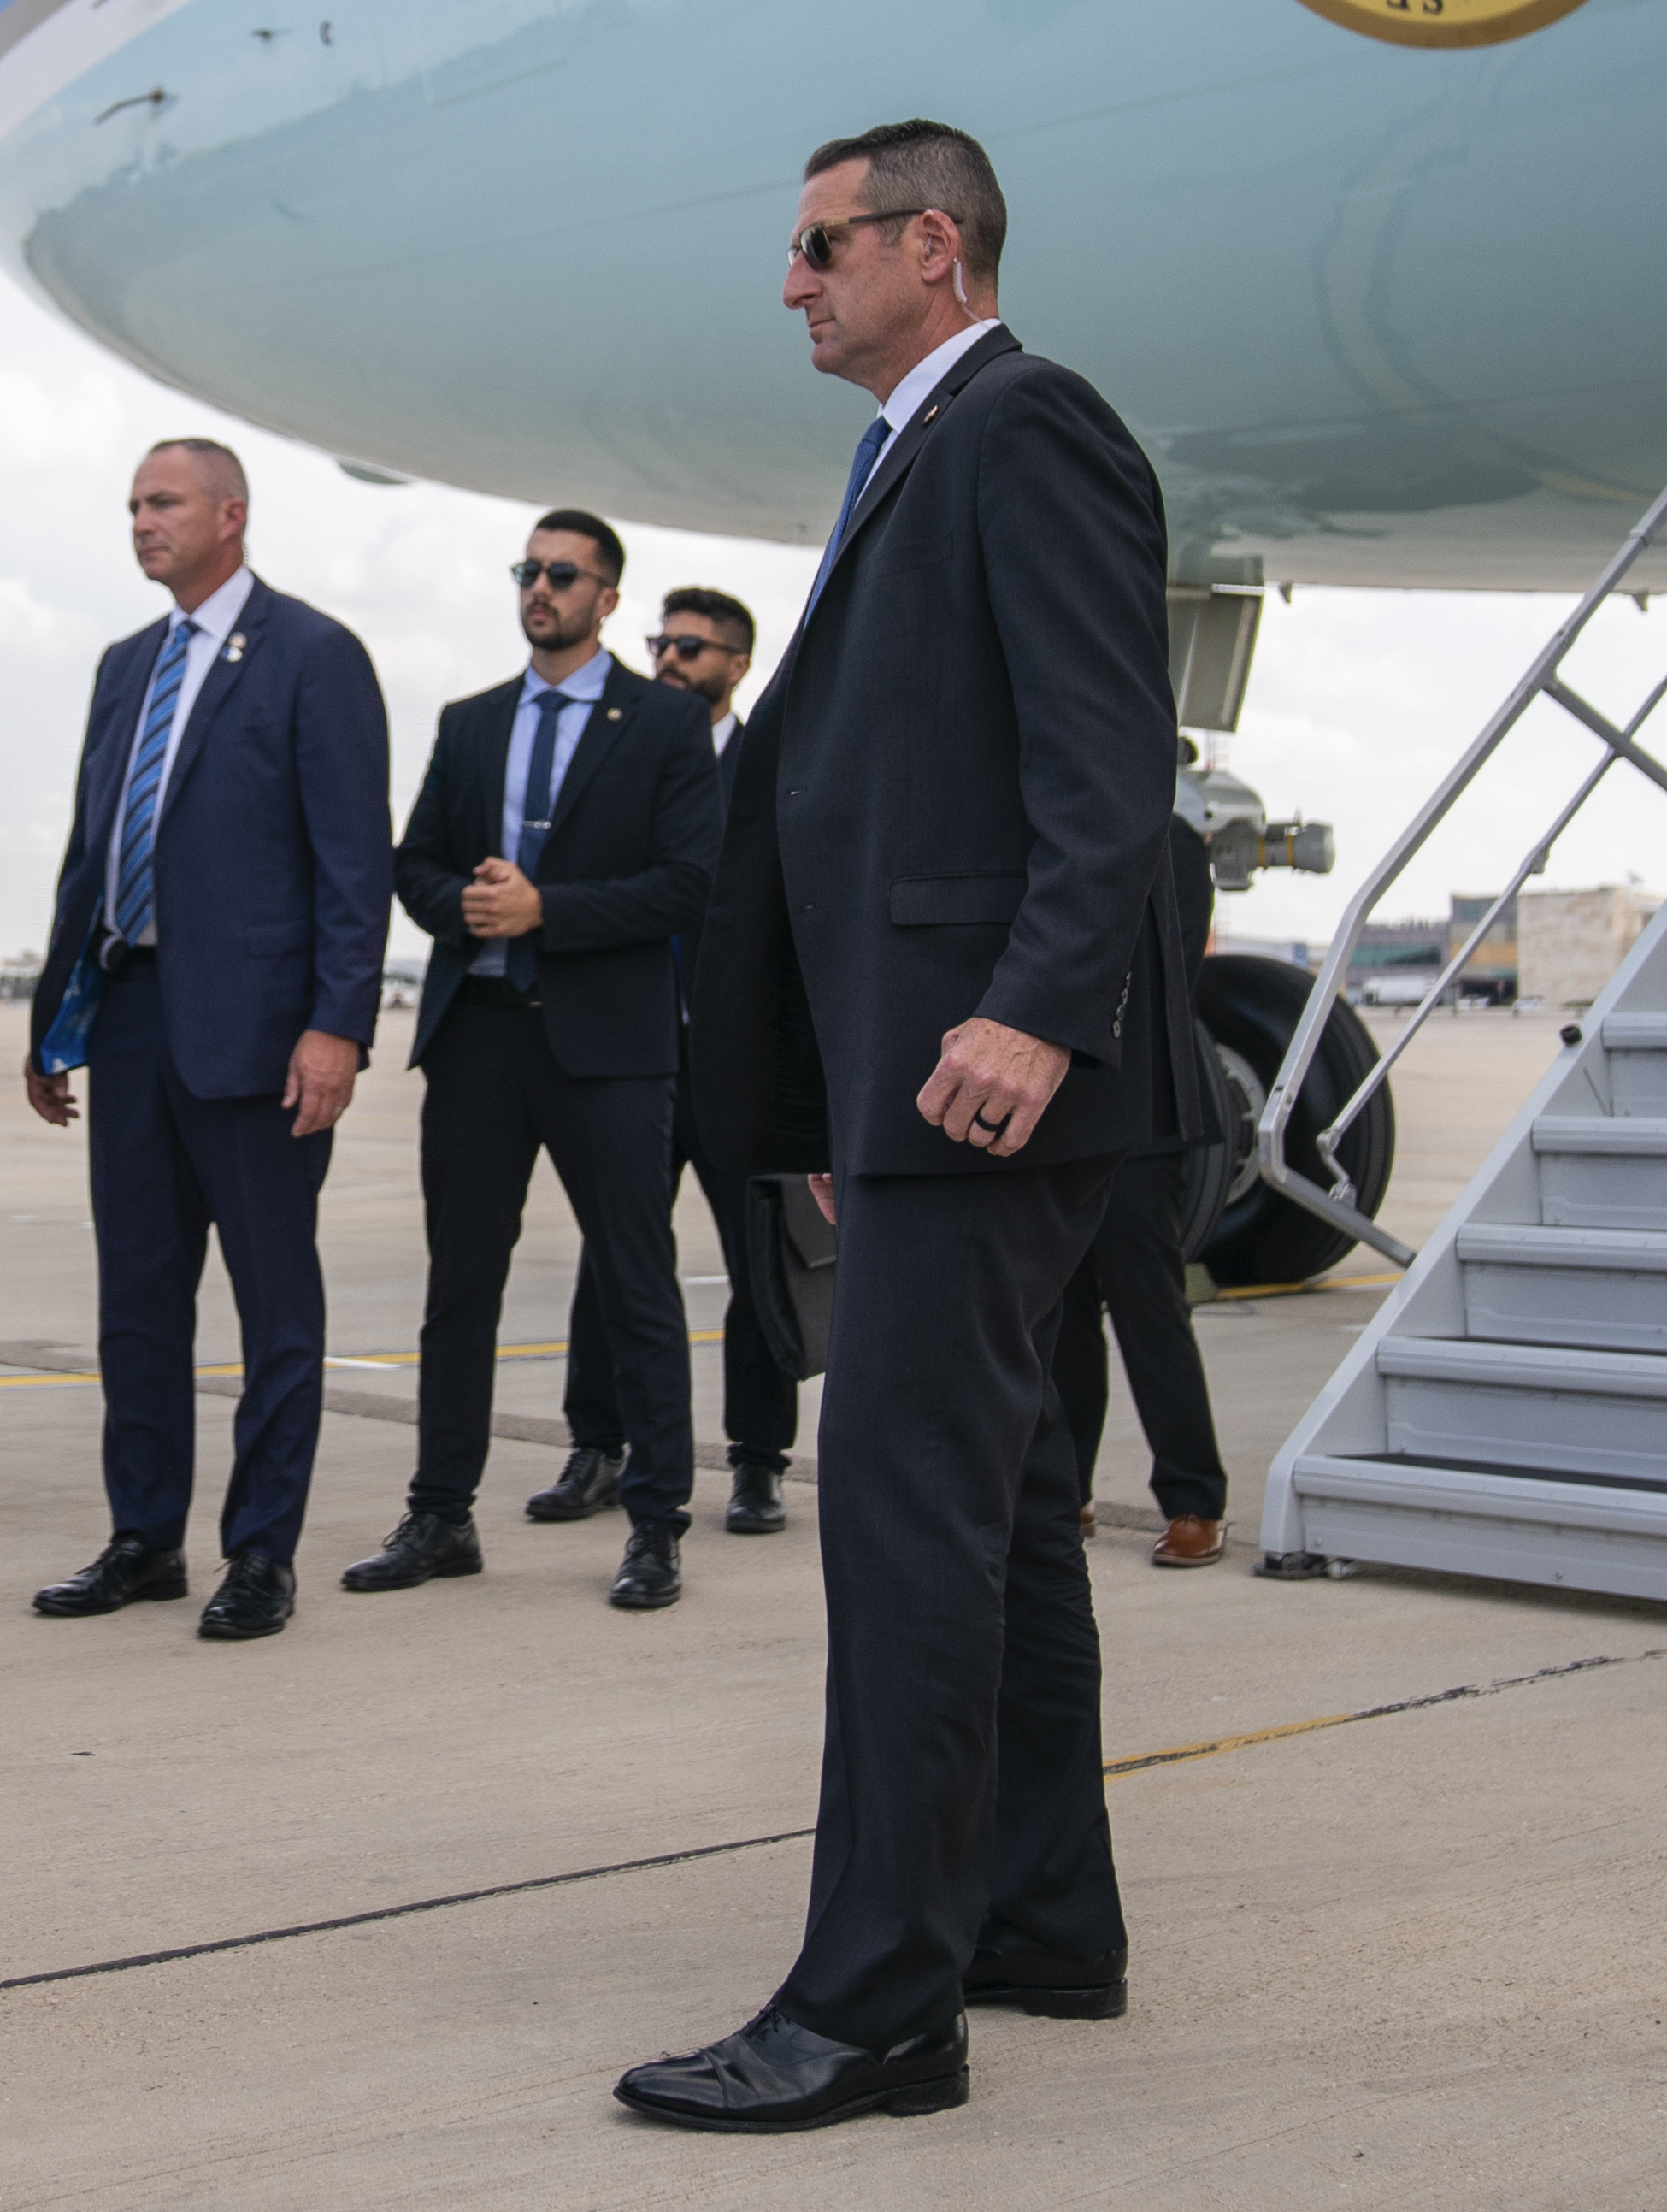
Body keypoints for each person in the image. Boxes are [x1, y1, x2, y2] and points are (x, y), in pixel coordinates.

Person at [622, 119, 1192, 2134]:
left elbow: (1108, 749)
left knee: (902, 1517)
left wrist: (1030, 1009)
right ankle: (1037, 1914)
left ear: (925, 245)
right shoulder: (909, 452)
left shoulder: (1019, 426)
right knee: (1004, 1511)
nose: (789, 282)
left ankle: (872, 2007)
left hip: (986, 1080)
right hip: (918, 1080)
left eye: (813, 246)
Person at [22, 439, 387, 1643]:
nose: (141, 522)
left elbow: (350, 865)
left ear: (230, 515)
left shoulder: (313, 657)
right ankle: (143, 1539)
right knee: (136, 1303)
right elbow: (93, 854)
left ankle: (259, 1552)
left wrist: (336, 1026)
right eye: (132, 504)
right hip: (128, 1018)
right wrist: (52, 1020)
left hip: (258, 1036)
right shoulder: (125, 666)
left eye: (163, 502)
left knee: (274, 1304)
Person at [355, 512, 718, 1613]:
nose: (539, 588)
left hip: (606, 1047)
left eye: (562, 574)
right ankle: (438, 1512)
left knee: (636, 1283)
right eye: (528, 570)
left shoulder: (661, 722)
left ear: (607, 598)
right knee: (458, 1286)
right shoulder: (470, 723)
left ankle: (655, 1523)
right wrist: (462, 909)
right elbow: (408, 859)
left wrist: (545, 908)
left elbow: (688, 882)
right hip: (477, 1036)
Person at [551, 583, 803, 1535]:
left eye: (692, 648)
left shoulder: (768, 768)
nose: (669, 659)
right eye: (661, 642)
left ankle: (757, 1461)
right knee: (610, 1262)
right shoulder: (623, 758)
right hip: (628, 1052)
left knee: (759, 1271)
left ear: (736, 665)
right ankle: (595, 1447)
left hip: (734, 1062)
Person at [1055, 818, 1234, 1568]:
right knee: (1059, 1309)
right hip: (1055, 1105)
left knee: (1146, 1302)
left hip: (1139, 1110)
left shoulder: (1172, 841)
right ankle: (1065, 1489)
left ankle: (1194, 1499)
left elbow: (1162, 968)